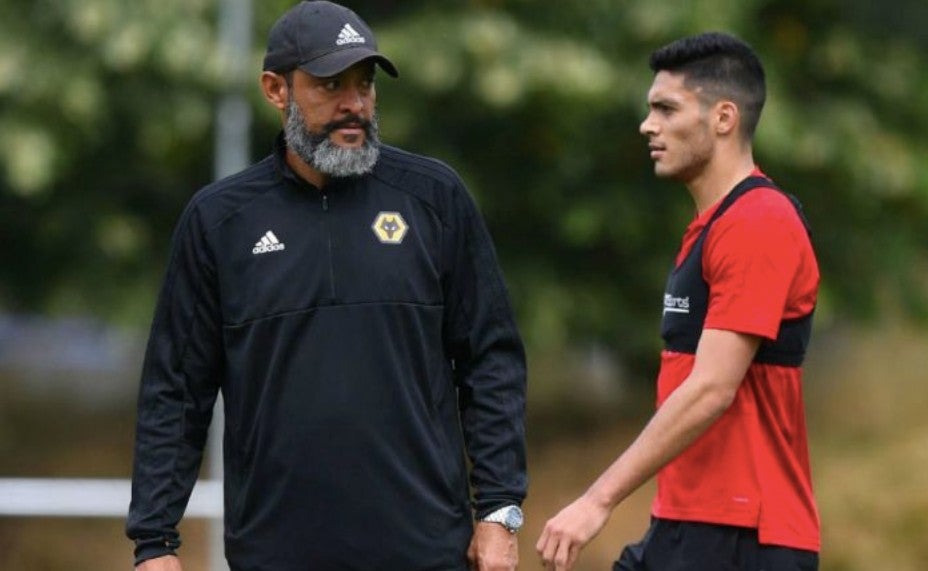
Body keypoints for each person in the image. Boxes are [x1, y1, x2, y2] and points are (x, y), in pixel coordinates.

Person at [125, 2, 528, 570]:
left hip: (426, 552)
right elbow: (176, 389)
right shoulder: (218, 221)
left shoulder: (435, 198)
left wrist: (499, 509)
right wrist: (154, 542)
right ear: (275, 89)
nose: (354, 105)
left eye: (364, 85)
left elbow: (492, 361)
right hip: (276, 555)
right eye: (330, 84)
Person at [536, 32, 820, 571]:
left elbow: (713, 387)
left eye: (666, 109)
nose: (648, 125)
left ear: (724, 118)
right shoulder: (709, 228)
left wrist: (597, 499)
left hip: (744, 535)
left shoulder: (760, 220)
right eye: (650, 110)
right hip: (687, 525)